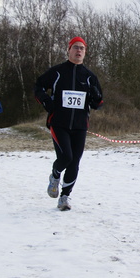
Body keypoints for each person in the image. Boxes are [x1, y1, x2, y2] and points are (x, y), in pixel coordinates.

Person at [34, 36, 104, 211]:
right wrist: (45, 101)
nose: (79, 51)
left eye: (82, 48)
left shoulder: (89, 76)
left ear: (85, 52)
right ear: (69, 50)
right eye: (76, 47)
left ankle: (65, 196)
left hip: (80, 125)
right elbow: (38, 86)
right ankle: (55, 175)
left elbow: (98, 104)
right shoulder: (57, 72)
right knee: (66, 157)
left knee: (74, 163)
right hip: (59, 122)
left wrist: (95, 95)